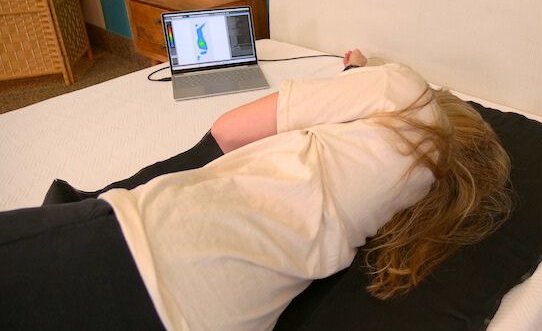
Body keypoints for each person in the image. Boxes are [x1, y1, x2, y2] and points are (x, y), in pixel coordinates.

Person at [0, 50, 511, 331]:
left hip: (152, 251)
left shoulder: (408, 94)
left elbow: (229, 131)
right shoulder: (409, 200)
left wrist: (360, 77)